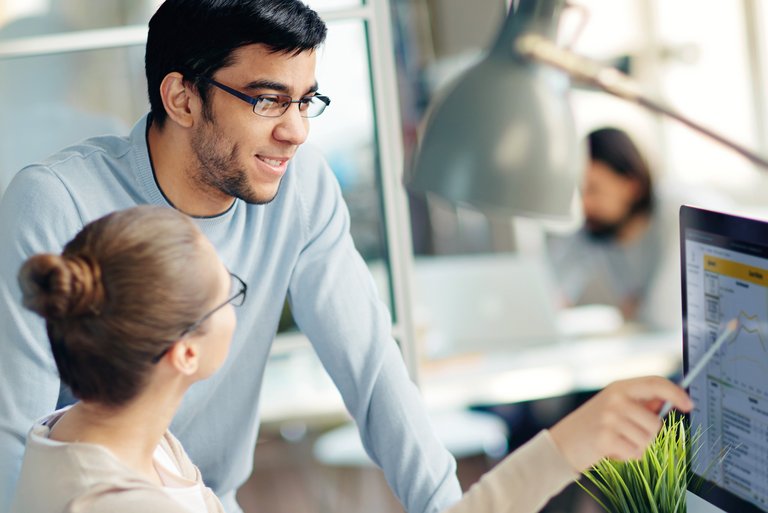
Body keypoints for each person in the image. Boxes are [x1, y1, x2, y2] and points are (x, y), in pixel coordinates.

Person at [0, 2, 463, 512]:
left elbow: (374, 375)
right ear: (182, 98)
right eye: (268, 100)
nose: (297, 132)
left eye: (306, 101)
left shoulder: (301, 184)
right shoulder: (56, 201)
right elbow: (14, 438)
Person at [10, 205, 693, 513]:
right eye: (232, 296)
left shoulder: (105, 437)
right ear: (184, 351)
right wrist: (569, 446)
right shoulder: (121, 501)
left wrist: (573, 442)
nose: (241, 309)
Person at [547, 127, 661, 322]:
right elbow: (551, 291)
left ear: (631, 185)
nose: (584, 204)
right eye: (581, 192)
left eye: (593, 190)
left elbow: (665, 318)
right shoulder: (595, 228)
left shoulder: (677, 217)